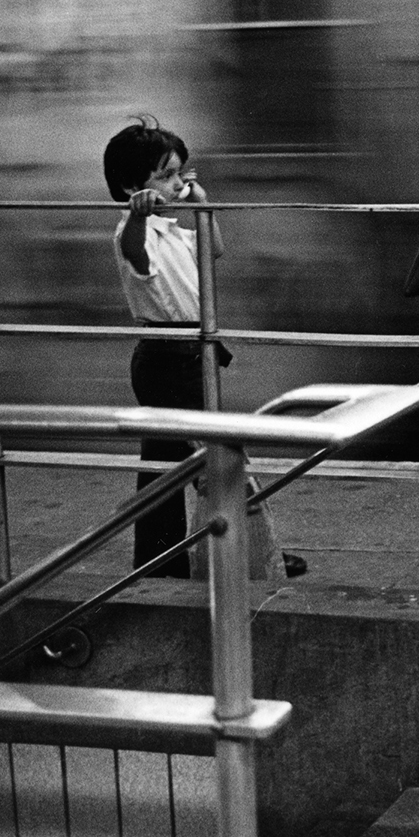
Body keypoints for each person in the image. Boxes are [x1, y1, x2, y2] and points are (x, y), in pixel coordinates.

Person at [102, 118, 300, 581]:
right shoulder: (134, 234)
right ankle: (260, 554)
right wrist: (137, 213)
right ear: (134, 185)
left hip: (188, 353)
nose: (178, 184)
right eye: (166, 176)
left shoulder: (174, 231)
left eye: (180, 174)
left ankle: (157, 558)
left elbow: (215, 249)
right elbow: (134, 250)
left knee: (164, 463)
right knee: (219, 457)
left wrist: (202, 203)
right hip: (168, 357)